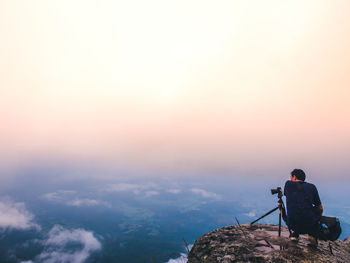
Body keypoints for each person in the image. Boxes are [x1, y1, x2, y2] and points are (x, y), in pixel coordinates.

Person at [284, 169, 323, 247]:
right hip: (309, 223)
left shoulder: (288, 184)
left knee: (295, 211)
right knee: (315, 211)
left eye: (291, 177)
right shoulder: (312, 187)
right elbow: (320, 208)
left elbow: (287, 195)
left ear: (294, 177)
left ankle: (294, 234)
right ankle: (312, 235)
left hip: (292, 223)